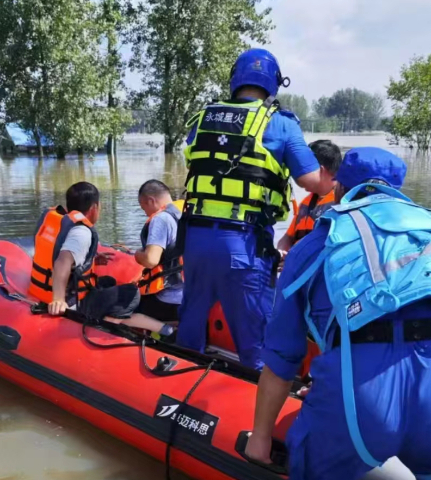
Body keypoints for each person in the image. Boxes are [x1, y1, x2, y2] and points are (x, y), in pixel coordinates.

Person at [245, 147, 431, 479]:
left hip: (364, 389)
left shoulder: (319, 240)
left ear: (340, 187)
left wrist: (260, 436)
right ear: (396, 187)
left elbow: (282, 357)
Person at [177, 48, 323, 369]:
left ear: (235, 79)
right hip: (243, 245)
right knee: (256, 339)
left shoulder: (203, 118)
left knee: (190, 324)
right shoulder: (281, 124)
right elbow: (312, 181)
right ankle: (257, 403)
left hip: (196, 240)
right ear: (273, 83)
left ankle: (179, 386)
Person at [29, 181, 168, 334]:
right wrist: (58, 300)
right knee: (130, 293)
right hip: (74, 302)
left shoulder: (64, 222)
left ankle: (157, 328)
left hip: (43, 290)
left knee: (108, 282)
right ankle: (108, 323)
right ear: (94, 207)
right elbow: (63, 261)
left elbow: (61, 253)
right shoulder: (82, 233)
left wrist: (92, 258)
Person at [277, 139, 342, 252]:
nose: (298, 176)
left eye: (303, 170)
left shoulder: (341, 203)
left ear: (320, 170)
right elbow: (288, 237)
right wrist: (282, 251)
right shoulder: (306, 202)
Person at [134, 180, 184, 324]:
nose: (145, 214)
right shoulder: (185, 213)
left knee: (121, 308)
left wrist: (138, 255)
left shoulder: (161, 219)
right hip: (191, 295)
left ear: (151, 201)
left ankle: (164, 331)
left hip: (169, 300)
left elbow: (151, 260)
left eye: (144, 208)